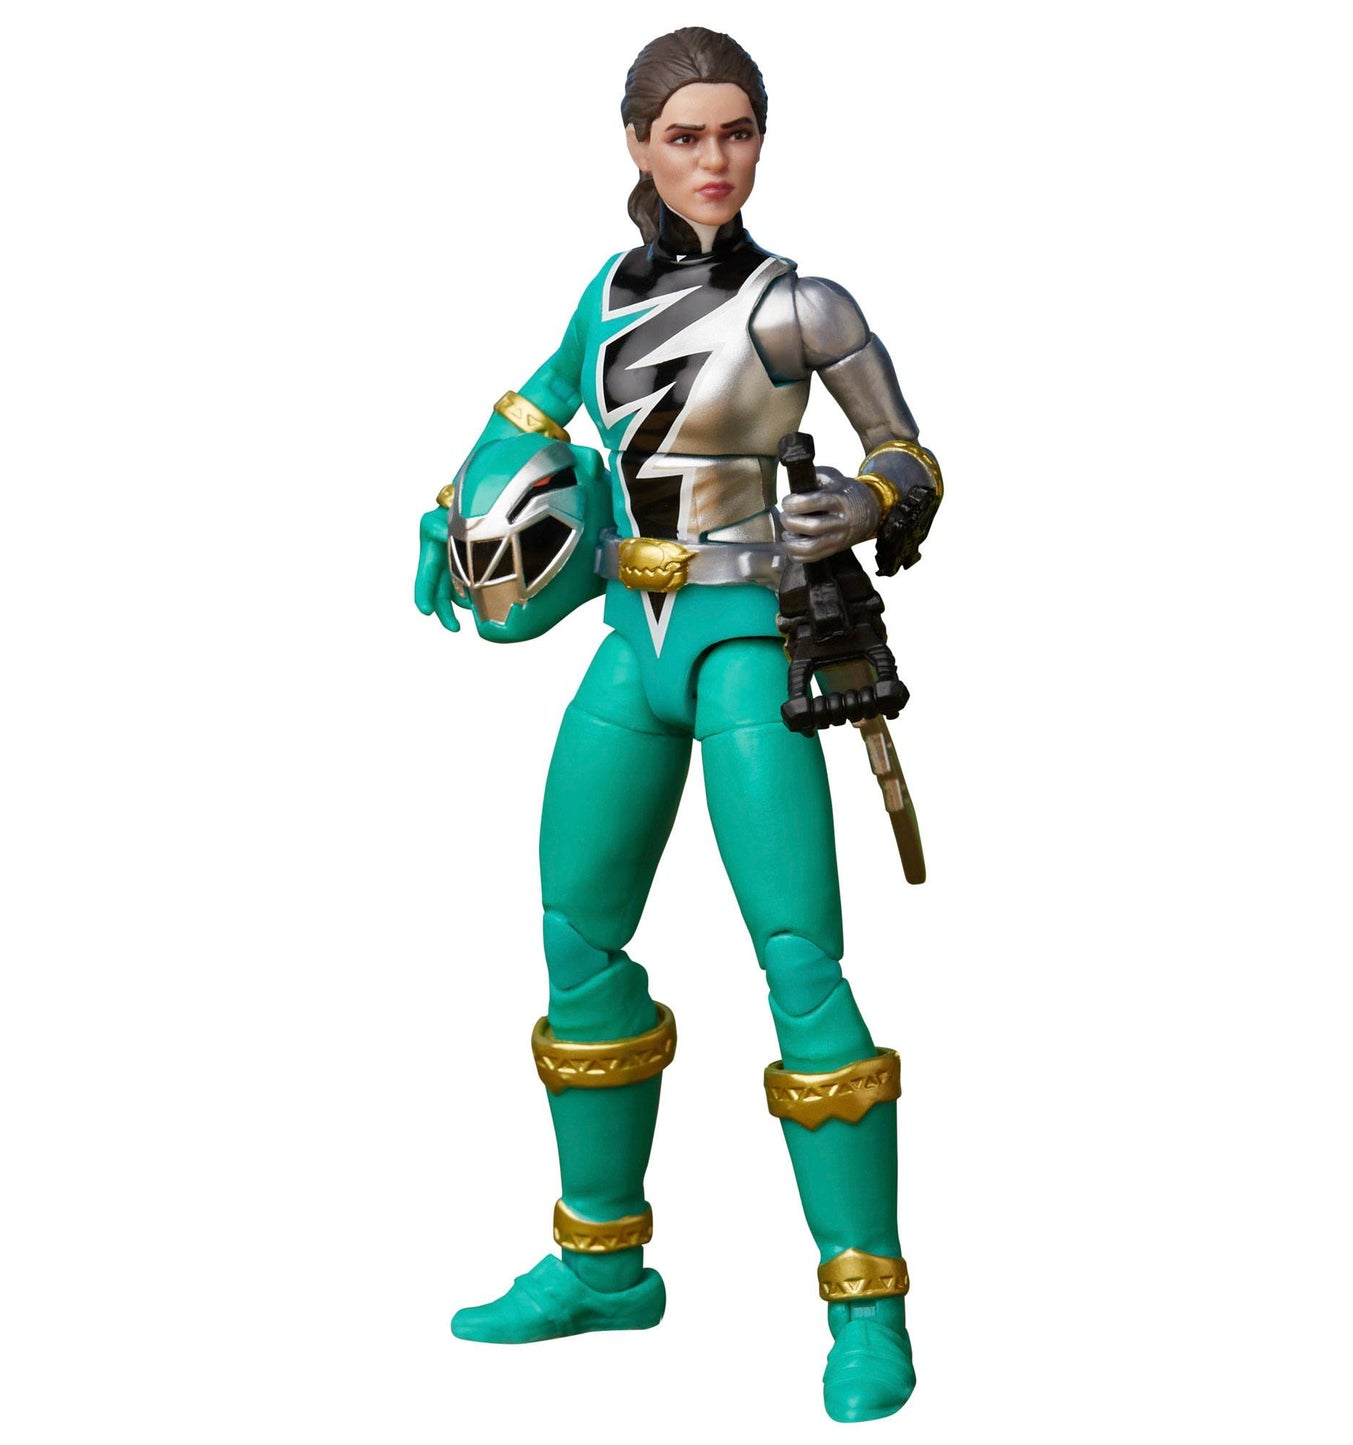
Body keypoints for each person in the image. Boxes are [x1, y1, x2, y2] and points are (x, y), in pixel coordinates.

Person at [413, 26, 942, 1424]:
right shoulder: (603, 293)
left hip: (747, 639)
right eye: (686, 135)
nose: (716, 159)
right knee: (575, 935)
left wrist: (869, 498)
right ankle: (603, 1265)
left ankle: (867, 1302)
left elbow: (907, 452)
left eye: (737, 131)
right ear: (639, 145)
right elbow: (527, 415)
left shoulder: (799, 305)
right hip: (628, 640)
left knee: (799, 961)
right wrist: (452, 511)